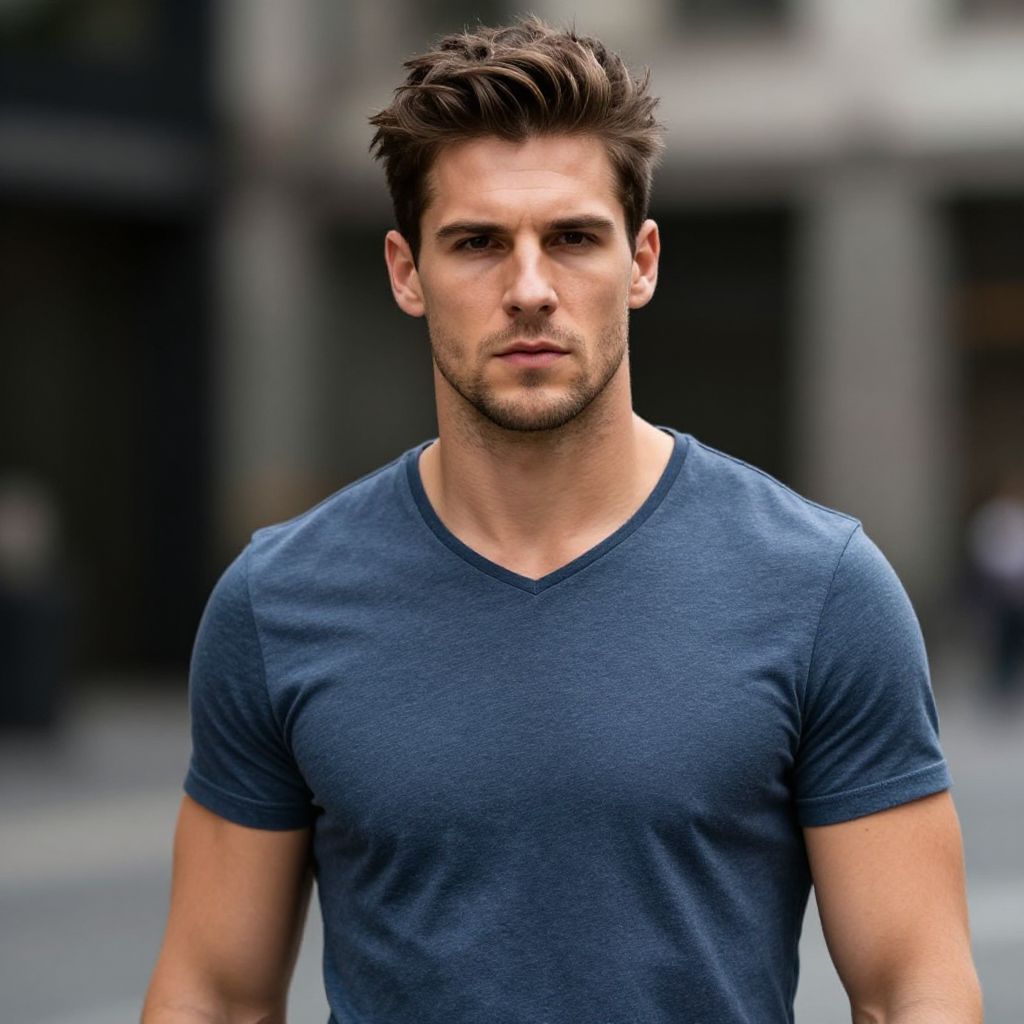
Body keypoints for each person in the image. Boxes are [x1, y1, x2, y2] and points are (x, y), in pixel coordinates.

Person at [142, 17, 982, 1024]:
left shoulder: (819, 586)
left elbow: (911, 991)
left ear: (641, 261)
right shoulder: (276, 603)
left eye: (573, 238)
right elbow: (216, 994)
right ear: (407, 272)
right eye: (478, 243)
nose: (530, 289)